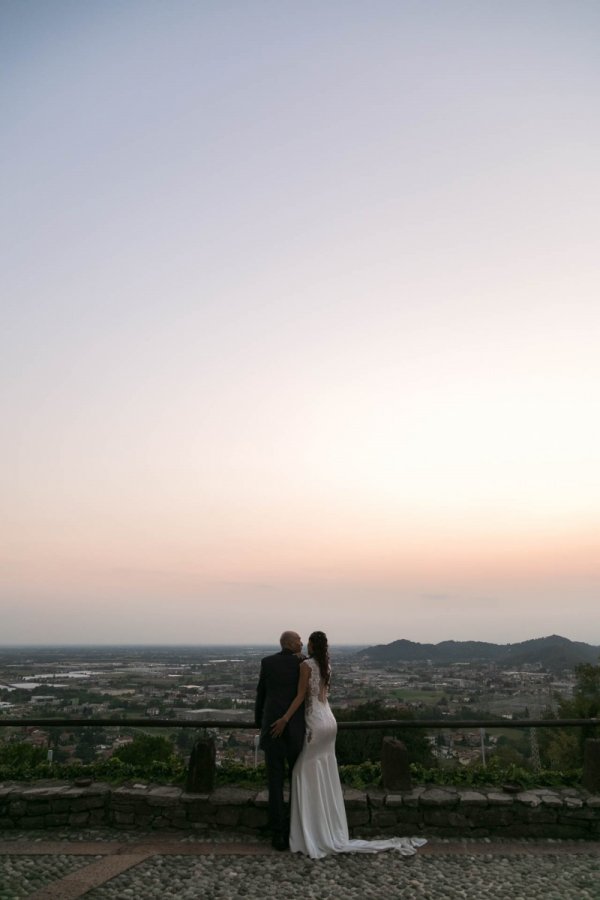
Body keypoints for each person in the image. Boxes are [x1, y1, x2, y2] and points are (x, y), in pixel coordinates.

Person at [270, 630, 427, 859]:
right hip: (330, 721)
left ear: (312, 646)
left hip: (314, 722)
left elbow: (300, 696)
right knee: (323, 769)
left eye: (307, 643)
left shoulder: (306, 666)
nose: (305, 646)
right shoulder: (326, 665)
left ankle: (310, 832)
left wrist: (284, 718)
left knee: (301, 773)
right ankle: (327, 826)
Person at [255, 630, 305, 850]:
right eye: (298, 640)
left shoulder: (268, 663)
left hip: (272, 727)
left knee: (275, 782)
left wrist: (260, 723)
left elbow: (261, 695)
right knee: (297, 779)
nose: (301, 643)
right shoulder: (304, 665)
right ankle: (297, 828)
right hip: (296, 729)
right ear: (289, 644)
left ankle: (278, 833)